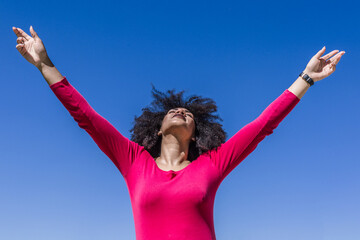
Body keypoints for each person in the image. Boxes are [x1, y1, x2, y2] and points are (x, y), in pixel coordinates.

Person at [13, 26, 345, 240]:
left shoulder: (212, 165)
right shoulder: (134, 161)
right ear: (157, 129)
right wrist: (44, 64)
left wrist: (307, 78)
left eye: (189, 114)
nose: (182, 111)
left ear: (196, 131)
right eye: (173, 110)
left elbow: (262, 127)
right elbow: (85, 116)